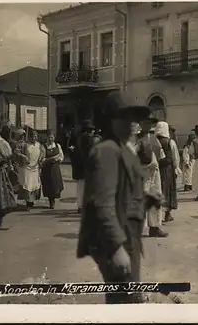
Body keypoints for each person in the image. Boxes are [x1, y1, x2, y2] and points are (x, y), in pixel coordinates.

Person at [76, 91, 150, 304]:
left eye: (133, 119)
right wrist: (116, 247)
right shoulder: (106, 151)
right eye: (124, 118)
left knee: (130, 297)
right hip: (115, 237)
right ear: (110, 121)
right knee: (125, 300)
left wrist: (146, 197)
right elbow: (102, 203)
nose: (131, 124)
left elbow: (124, 188)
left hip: (128, 232)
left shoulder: (123, 148)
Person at [136, 118, 168, 238]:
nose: (148, 126)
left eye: (150, 123)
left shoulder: (153, 139)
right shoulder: (136, 139)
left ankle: (154, 227)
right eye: (146, 123)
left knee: (156, 196)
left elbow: (161, 155)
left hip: (154, 170)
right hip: (142, 171)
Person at [154, 121, 180, 222]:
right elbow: (175, 156)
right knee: (168, 189)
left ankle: (157, 215)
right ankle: (167, 214)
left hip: (157, 168)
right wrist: (176, 168)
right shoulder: (170, 142)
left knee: (158, 189)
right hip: (168, 169)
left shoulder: (154, 141)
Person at [70, 120, 96, 214]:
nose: (93, 131)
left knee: (80, 188)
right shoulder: (88, 138)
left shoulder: (78, 138)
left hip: (79, 167)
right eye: (92, 130)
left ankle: (80, 206)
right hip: (86, 167)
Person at [14, 129, 44, 210]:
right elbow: (16, 152)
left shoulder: (39, 145)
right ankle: (28, 203)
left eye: (35, 136)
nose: (34, 138)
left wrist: (41, 159)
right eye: (32, 136)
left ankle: (32, 201)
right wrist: (23, 156)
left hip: (35, 168)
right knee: (27, 185)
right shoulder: (25, 145)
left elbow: (42, 154)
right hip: (26, 168)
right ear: (30, 137)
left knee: (34, 185)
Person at [40, 130, 65, 209]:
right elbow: (41, 158)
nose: (50, 139)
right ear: (46, 138)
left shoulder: (57, 145)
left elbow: (61, 156)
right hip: (47, 169)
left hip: (55, 168)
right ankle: (51, 200)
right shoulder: (43, 146)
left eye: (52, 137)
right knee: (49, 185)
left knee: (55, 184)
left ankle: (53, 199)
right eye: (49, 137)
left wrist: (58, 159)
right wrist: (49, 159)